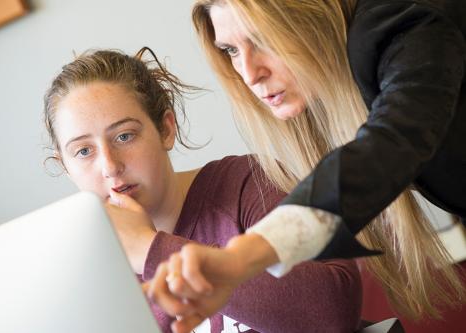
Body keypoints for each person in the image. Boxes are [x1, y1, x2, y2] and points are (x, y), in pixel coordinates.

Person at [146, 1, 466, 332]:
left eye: (263, 39)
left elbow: (393, 142)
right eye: (230, 50)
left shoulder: (398, 24)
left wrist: (240, 259)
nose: (250, 73)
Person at [43, 48, 363, 333]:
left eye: (124, 136)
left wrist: (150, 249)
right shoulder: (85, 274)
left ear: (166, 129)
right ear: (66, 166)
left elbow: (334, 315)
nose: (110, 166)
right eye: (83, 152)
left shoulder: (248, 183)